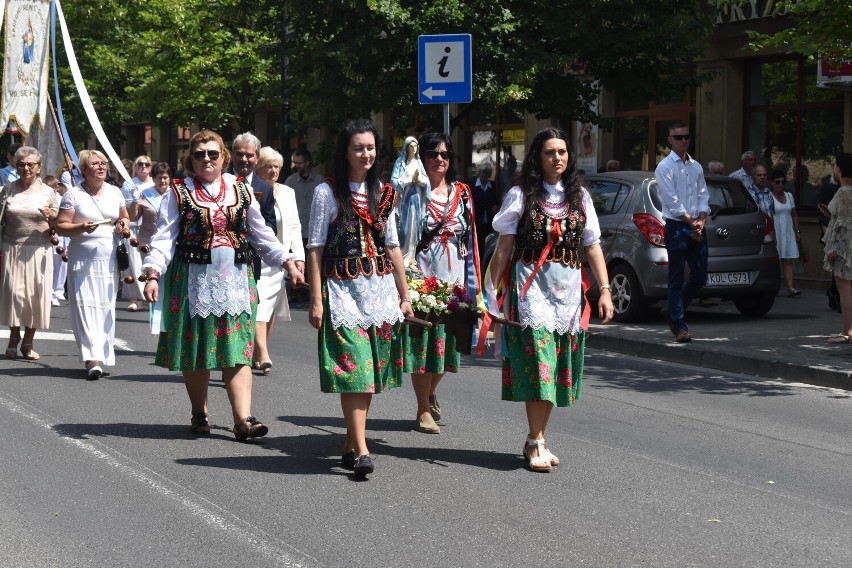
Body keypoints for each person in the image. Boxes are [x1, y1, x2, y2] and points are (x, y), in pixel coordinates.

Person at [141, 130, 304, 439]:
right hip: (193, 279)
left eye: (212, 154)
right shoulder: (178, 192)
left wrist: (287, 260)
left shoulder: (239, 189)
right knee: (197, 347)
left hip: (236, 281)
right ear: (190, 159)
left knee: (238, 347)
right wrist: (152, 273)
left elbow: (260, 233)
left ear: (223, 157)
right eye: (199, 154)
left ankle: (243, 419)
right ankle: (199, 412)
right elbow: (164, 238)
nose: (206, 159)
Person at [488, 127, 613, 473]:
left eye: (562, 151)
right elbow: (504, 248)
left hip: (569, 295)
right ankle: (535, 440)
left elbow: (592, 246)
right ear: (537, 158)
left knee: (556, 367)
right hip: (532, 292)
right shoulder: (522, 195)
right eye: (549, 152)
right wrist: (489, 294)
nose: (557, 158)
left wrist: (604, 290)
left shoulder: (579, 197)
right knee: (540, 363)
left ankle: (538, 437)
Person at [306, 118, 413, 477]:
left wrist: (405, 294)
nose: (365, 154)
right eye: (358, 148)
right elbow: (316, 248)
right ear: (345, 152)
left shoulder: (384, 191)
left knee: (369, 372)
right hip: (342, 292)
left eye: (370, 147)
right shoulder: (328, 192)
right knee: (355, 369)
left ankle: (351, 443)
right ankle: (363, 450)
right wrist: (317, 300)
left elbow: (394, 246)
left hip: (379, 292)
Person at [398, 132, 480, 435]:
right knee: (423, 342)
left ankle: (431, 391)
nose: (439, 160)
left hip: (455, 273)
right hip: (422, 272)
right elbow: (401, 236)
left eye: (445, 155)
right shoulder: (412, 191)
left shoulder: (463, 192)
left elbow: (471, 237)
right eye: (432, 154)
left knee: (450, 344)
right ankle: (422, 409)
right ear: (423, 158)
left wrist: (476, 284)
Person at [55, 150, 131, 379]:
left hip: (108, 261)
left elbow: (124, 217)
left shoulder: (115, 192)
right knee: (85, 308)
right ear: (84, 170)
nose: (101, 167)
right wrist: (81, 227)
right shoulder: (73, 195)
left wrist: (123, 226)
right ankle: (92, 360)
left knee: (105, 307)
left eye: (104, 163)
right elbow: (60, 226)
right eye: (95, 164)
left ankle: (101, 354)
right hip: (82, 261)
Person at [0, 147, 58, 360]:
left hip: (40, 251)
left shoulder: (48, 192)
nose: (26, 168)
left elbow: (59, 223)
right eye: (22, 164)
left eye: (30, 164)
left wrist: (52, 215)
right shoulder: (8, 189)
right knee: (15, 295)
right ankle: (14, 338)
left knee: (35, 297)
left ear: (39, 167)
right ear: (16, 167)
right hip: (12, 248)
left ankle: (28, 342)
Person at [252, 146, 305, 374]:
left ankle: (256, 351)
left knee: (270, 307)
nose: (273, 170)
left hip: (280, 258)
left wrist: (299, 257)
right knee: (258, 305)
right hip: (255, 256)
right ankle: (262, 352)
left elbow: (294, 225)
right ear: (258, 167)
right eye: (268, 166)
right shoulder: (251, 190)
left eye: (277, 166)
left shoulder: (287, 192)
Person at [656, 123, 709, 344]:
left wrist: (702, 220)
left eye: (687, 137)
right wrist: (691, 221)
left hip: (696, 224)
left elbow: (703, 194)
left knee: (700, 275)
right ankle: (679, 324)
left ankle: (672, 309)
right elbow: (671, 200)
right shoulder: (664, 167)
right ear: (670, 140)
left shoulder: (696, 166)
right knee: (676, 276)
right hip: (677, 226)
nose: (684, 141)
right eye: (679, 138)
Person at [231, 132, 277, 281]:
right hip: (222, 259)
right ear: (232, 155)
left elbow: (271, 223)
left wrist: (254, 234)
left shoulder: (265, 189)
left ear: (257, 158)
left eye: (249, 155)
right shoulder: (220, 183)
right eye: (240, 154)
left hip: (251, 259)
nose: (244, 159)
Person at [821, 152, 852, 344]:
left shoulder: (843, 191)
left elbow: (841, 224)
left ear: (839, 169)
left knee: (844, 288)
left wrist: (832, 248)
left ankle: (847, 330)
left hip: (843, 245)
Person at [120, 155, 154, 311]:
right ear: (135, 166)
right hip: (133, 229)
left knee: (148, 263)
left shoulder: (154, 184)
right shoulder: (128, 185)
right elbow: (123, 209)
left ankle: (146, 300)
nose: (143, 167)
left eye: (147, 164)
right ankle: (134, 298)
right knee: (134, 265)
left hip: (149, 229)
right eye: (140, 164)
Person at [769, 170, 801, 297]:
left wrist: (797, 231)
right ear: (772, 183)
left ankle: (791, 288)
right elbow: (768, 216)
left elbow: (794, 215)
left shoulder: (789, 196)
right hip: (776, 231)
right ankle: (773, 287)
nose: (780, 184)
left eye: (783, 182)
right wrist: (771, 232)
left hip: (787, 231)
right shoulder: (769, 197)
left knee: (788, 260)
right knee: (774, 261)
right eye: (777, 182)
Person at [286, 149, 324, 243]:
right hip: (295, 232)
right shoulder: (290, 181)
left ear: (307, 162)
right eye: (295, 163)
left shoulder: (319, 181)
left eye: (299, 163)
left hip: (314, 232)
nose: (296, 166)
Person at [470, 162, 498, 260]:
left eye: (486, 173)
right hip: (477, 220)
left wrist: (495, 206)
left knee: (488, 243)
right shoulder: (472, 184)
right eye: (482, 172)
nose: (484, 175)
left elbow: (495, 200)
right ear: (479, 173)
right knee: (478, 243)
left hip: (489, 221)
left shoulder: (493, 185)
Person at [390, 136, 427, 201]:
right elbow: (393, 181)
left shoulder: (419, 163)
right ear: (407, 148)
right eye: (411, 146)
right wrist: (410, 180)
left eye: (415, 146)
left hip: (417, 197)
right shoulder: (400, 162)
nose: (414, 149)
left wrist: (419, 180)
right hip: (404, 198)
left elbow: (427, 182)